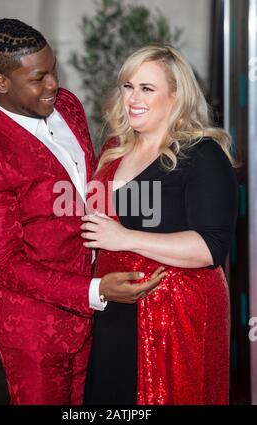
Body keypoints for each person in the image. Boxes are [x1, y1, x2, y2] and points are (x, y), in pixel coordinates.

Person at [0, 20, 165, 405]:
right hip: (32, 329)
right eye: (38, 78)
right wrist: (95, 291)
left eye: (53, 69)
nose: (53, 83)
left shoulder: (66, 104)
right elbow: (5, 263)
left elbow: (92, 186)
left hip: (93, 314)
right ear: (2, 83)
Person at [82, 45, 238, 405]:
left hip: (175, 315)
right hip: (115, 307)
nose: (133, 98)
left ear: (176, 95)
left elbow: (211, 247)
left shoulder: (202, 153)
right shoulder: (115, 148)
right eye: (128, 86)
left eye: (147, 89)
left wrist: (124, 238)